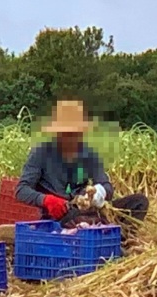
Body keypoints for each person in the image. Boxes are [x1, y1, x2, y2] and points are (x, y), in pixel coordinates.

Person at [13, 100, 148, 242]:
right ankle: (101, 237)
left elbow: (107, 186)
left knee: (139, 202)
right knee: (76, 219)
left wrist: (97, 194)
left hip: (89, 211)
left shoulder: (89, 155)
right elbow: (21, 190)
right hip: (61, 216)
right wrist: (46, 200)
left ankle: (119, 241)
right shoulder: (40, 153)